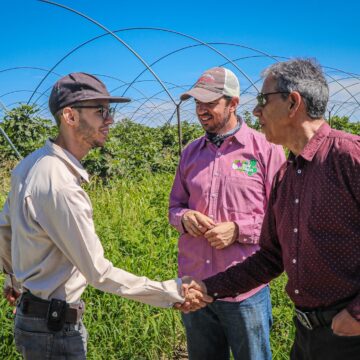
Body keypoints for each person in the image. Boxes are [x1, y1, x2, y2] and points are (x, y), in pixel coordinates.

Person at [0, 72, 210, 359]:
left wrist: (14, 280)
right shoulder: (61, 185)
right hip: (55, 330)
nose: (109, 119)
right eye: (100, 111)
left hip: (34, 319)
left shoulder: (30, 164)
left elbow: (5, 230)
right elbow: (98, 273)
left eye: (109, 110)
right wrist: (170, 292)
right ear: (70, 116)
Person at [185, 59, 360, 360]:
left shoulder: (348, 157)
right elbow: (269, 257)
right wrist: (207, 287)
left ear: (293, 103)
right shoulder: (287, 174)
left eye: (264, 101)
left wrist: (357, 313)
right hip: (308, 333)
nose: (256, 112)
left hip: (350, 334)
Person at [169, 67, 285, 360]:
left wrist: (239, 229)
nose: (201, 110)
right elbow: (174, 207)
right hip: (195, 286)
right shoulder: (190, 153)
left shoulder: (266, 149)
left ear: (233, 103)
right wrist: (184, 218)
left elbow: (283, 219)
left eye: (209, 103)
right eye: (197, 103)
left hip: (245, 289)